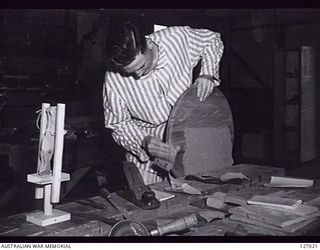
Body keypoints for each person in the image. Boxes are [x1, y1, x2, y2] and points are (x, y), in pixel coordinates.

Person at [103, 21, 224, 184]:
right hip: (147, 156)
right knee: (148, 204)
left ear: (149, 44)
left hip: (189, 140)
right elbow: (117, 123)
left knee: (195, 197)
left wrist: (207, 74)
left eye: (142, 66)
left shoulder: (176, 39)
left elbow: (212, 40)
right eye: (130, 73)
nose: (138, 75)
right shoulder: (113, 79)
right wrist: (144, 142)